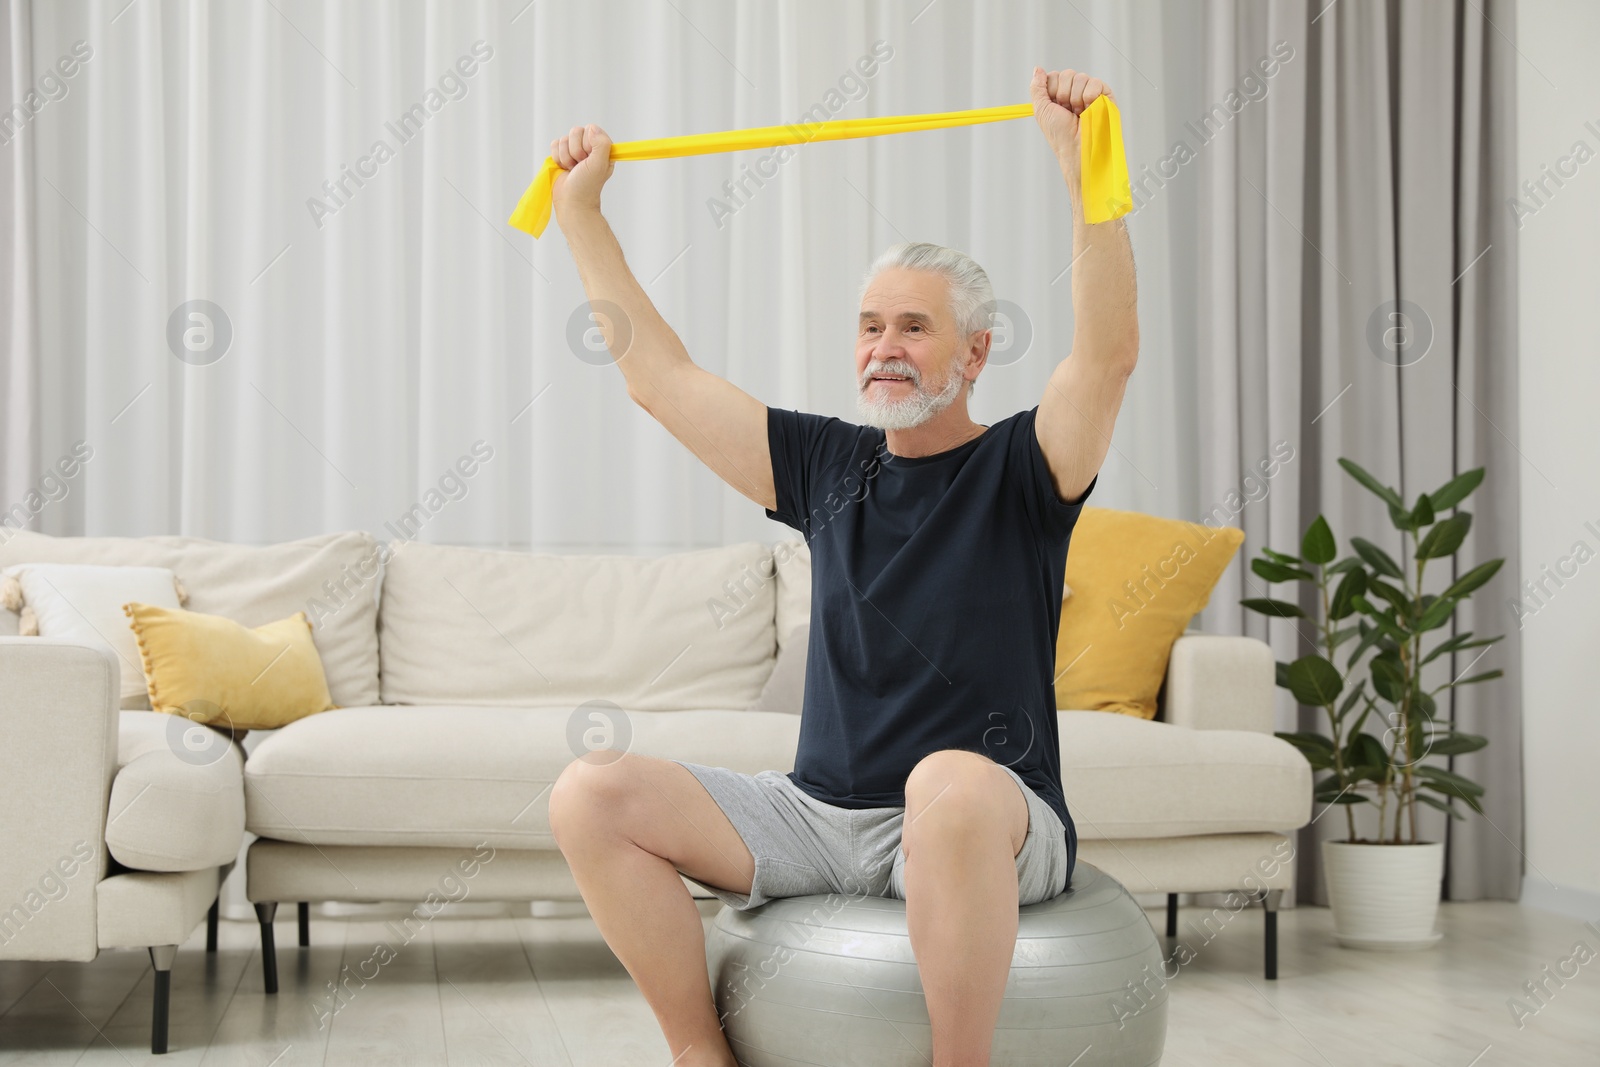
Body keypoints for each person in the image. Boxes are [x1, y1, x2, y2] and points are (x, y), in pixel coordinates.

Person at [546, 66, 1138, 1067]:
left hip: (986, 815)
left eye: (913, 326)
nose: (883, 349)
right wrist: (580, 213)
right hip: (820, 814)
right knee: (588, 792)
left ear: (975, 351)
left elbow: (1107, 354)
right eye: (869, 326)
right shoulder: (827, 464)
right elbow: (661, 378)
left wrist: (1082, 170)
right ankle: (702, 1052)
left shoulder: (1024, 466)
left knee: (946, 783)